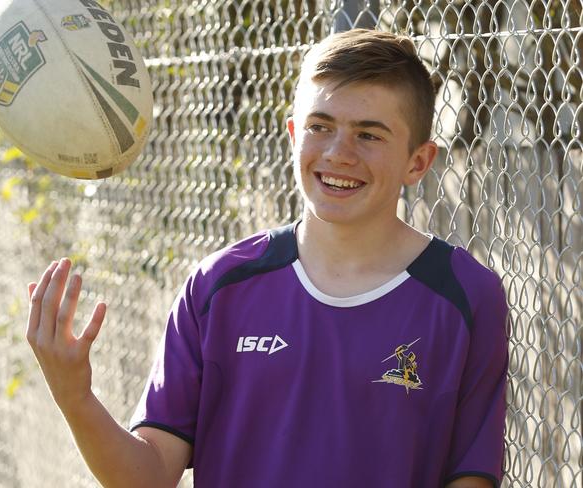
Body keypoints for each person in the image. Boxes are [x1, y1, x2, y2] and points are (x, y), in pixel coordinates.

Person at [26, 29, 508, 488]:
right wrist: (74, 395)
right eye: (321, 127)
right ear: (294, 133)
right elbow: (148, 475)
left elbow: (469, 475)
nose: (339, 153)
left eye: (369, 135)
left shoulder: (466, 297)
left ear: (418, 161)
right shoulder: (220, 287)